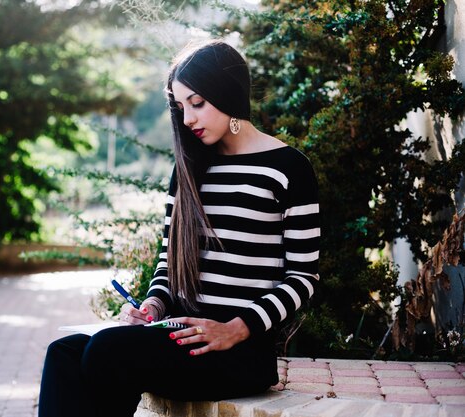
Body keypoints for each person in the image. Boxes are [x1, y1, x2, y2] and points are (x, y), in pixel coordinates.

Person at [38, 39, 320, 417]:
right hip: (178, 337)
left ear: (228, 93)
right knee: (64, 353)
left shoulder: (289, 169)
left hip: (238, 352)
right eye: (180, 106)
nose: (188, 119)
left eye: (197, 103)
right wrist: (154, 304)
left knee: (107, 350)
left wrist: (234, 329)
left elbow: (303, 277)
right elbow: (168, 263)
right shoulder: (188, 169)